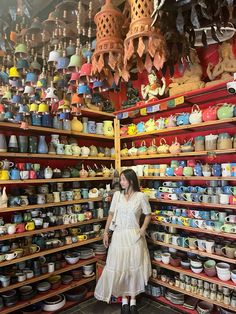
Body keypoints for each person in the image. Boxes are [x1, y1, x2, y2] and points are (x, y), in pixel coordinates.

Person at [94, 169, 152, 314]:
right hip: (119, 235)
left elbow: (148, 215)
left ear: (131, 180)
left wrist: (143, 229)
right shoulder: (117, 196)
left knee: (133, 269)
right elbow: (111, 214)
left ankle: (132, 301)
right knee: (121, 269)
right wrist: (106, 232)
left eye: (123, 179)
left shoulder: (141, 196)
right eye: (120, 179)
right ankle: (124, 301)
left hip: (134, 236)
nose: (121, 182)